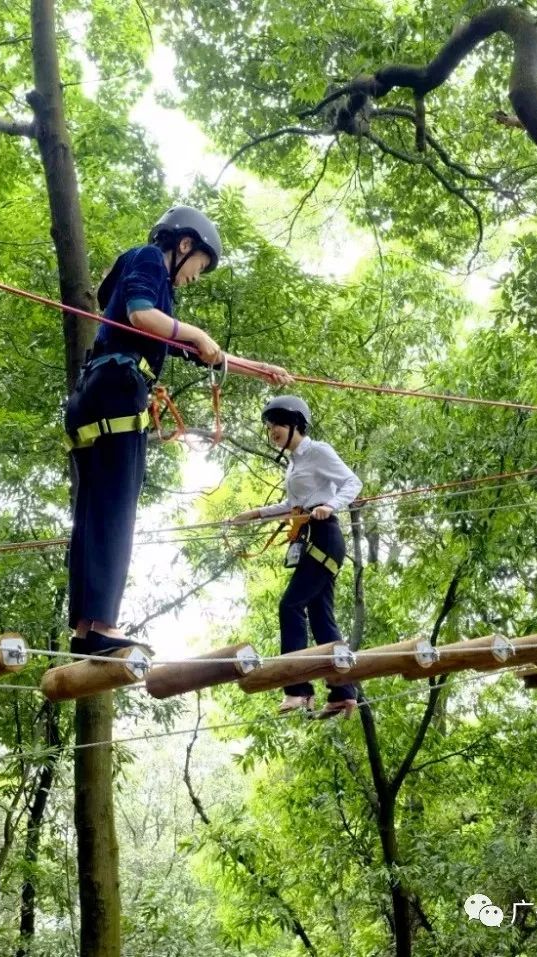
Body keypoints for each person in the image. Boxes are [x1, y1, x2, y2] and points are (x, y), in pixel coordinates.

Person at [66, 205, 290, 656]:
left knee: (94, 514)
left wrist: (255, 367)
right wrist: (199, 332)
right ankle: (104, 627)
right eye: (199, 266)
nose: (195, 277)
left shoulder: (144, 279)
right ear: (184, 245)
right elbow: (141, 315)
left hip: (92, 394)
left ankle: (86, 628)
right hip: (118, 390)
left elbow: (199, 351)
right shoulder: (150, 259)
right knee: (117, 513)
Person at [231, 396, 363, 718]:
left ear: (295, 425)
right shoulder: (293, 463)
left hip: (324, 534)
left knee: (290, 605)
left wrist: (330, 506)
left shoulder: (317, 451)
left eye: (277, 423)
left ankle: (298, 689)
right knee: (321, 619)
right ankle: (343, 692)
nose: (272, 430)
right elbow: (294, 506)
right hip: (309, 535)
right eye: (269, 425)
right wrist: (256, 513)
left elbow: (352, 482)